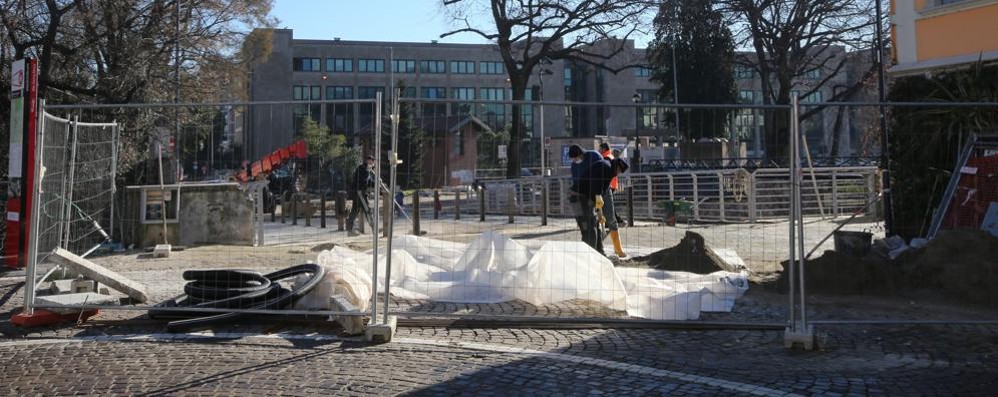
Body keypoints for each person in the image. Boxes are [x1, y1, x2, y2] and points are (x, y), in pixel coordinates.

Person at [568, 144, 614, 255]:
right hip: (581, 197)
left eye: (576, 158)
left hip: (593, 194)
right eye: (573, 159)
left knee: (592, 224)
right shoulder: (574, 166)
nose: (575, 161)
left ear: (581, 154)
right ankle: (592, 252)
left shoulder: (594, 156)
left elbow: (602, 175)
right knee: (587, 225)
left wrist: (599, 196)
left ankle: (597, 252)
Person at [599, 143, 627, 258]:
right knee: (607, 218)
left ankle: (617, 248)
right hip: (601, 190)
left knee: (609, 218)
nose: (618, 174)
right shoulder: (608, 160)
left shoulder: (606, 159)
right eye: (619, 171)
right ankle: (616, 249)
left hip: (606, 190)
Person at [347, 155, 376, 236]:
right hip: (359, 192)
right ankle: (374, 228)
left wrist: (377, 183)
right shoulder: (362, 168)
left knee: (355, 210)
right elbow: (362, 180)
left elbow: (368, 181)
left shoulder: (367, 170)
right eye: (371, 161)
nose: (372, 163)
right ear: (368, 161)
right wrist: (369, 170)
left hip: (359, 192)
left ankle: (350, 230)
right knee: (367, 209)